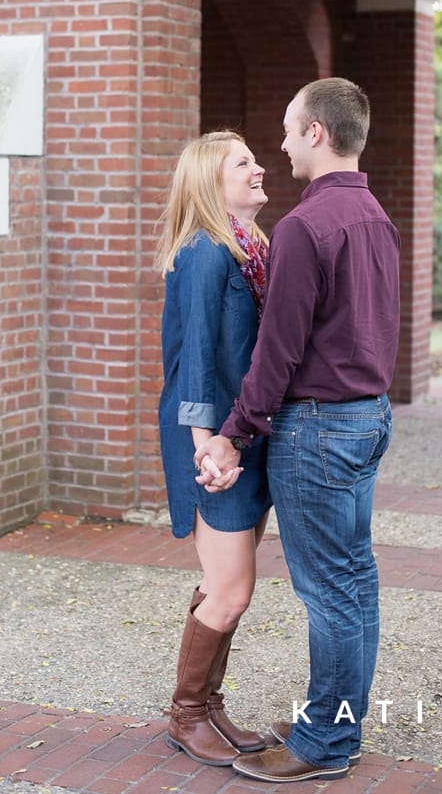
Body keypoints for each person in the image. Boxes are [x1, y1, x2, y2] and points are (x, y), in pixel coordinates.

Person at [196, 77, 401, 784]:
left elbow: (276, 352)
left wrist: (234, 433)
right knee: (355, 581)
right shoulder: (374, 214)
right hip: (368, 415)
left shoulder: (305, 228)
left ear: (316, 131)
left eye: (287, 130)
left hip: (317, 428)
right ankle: (338, 721)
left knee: (330, 592)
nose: (280, 146)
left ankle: (322, 743)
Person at [154, 130, 275, 766]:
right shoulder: (205, 250)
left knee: (226, 583)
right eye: (244, 163)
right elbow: (196, 353)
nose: (259, 169)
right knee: (231, 587)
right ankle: (186, 713)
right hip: (210, 437)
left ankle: (208, 703)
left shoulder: (252, 246)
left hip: (241, 436)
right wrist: (208, 444)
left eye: (255, 159)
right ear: (211, 182)